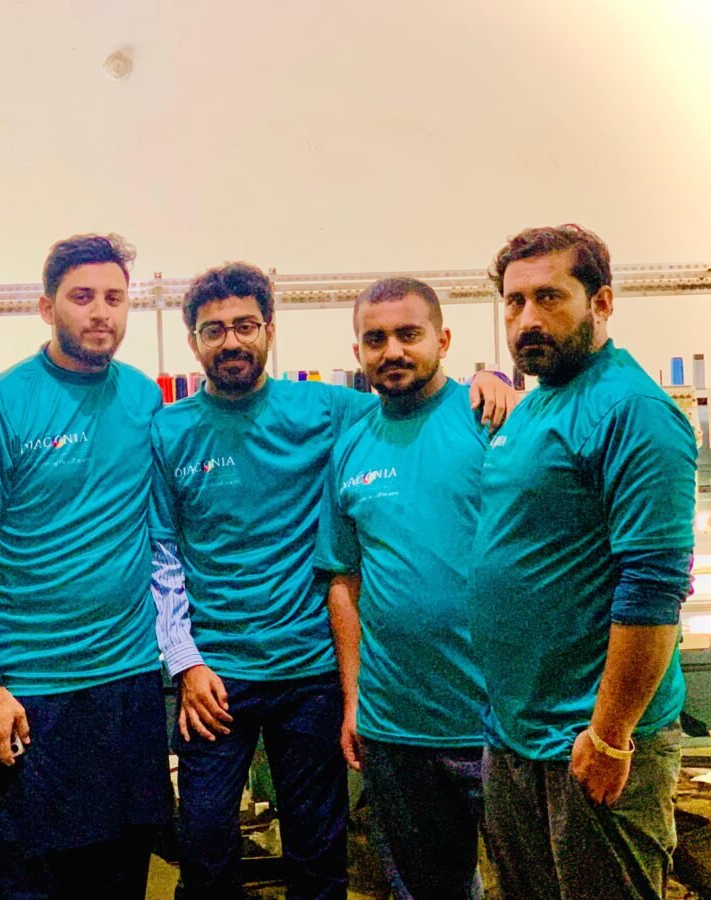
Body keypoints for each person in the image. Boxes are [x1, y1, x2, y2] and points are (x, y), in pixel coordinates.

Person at [149, 263, 513, 899]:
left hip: (310, 672)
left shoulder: (328, 411)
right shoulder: (170, 430)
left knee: (318, 850)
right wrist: (184, 661)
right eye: (214, 330)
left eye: (245, 325)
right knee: (204, 845)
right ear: (193, 341)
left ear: (269, 331)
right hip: (215, 678)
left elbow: (412, 397)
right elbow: (162, 554)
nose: (231, 341)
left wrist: (490, 380)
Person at [0, 233, 170, 899]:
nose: (101, 312)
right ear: (47, 307)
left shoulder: (143, 398)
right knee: (27, 880)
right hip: (29, 692)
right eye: (82, 297)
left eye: (115, 298)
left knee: (120, 876)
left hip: (127, 682)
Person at [469, 225, 697, 898]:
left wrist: (611, 734)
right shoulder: (535, 405)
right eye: (514, 302)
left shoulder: (634, 410)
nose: (527, 318)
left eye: (549, 297)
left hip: (589, 738)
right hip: (517, 730)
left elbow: (651, 588)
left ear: (602, 302)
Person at [314, 277, 490, 898]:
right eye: (376, 339)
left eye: (408, 334)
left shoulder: (490, 420)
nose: (392, 351)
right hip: (395, 727)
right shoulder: (351, 447)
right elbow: (344, 580)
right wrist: (355, 701)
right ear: (357, 351)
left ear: (444, 339)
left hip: (496, 722)